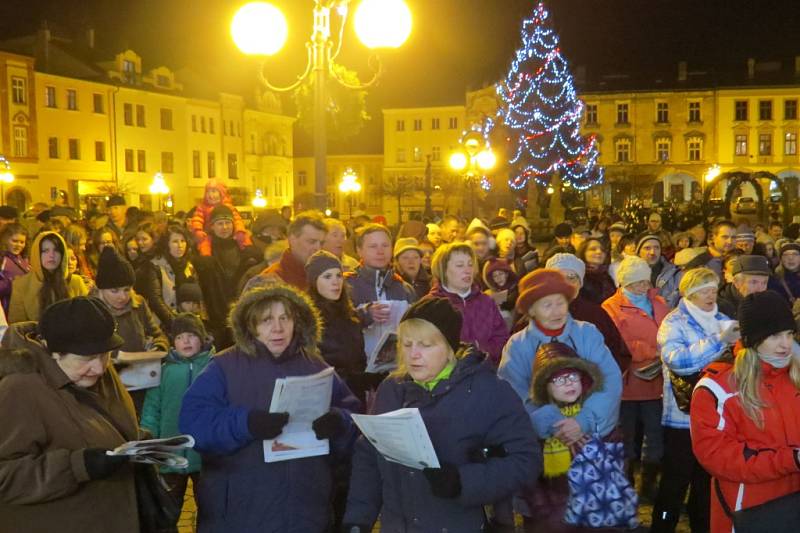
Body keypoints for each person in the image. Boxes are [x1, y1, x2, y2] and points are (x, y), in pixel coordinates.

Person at [342, 297, 540, 533]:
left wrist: (463, 482)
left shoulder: (489, 391)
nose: (413, 354)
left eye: (425, 345)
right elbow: (369, 455)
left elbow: (526, 461)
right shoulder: (392, 388)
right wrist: (358, 519)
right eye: (406, 344)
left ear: (449, 348)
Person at [178, 284, 360, 532]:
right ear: (250, 325)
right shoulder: (223, 366)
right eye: (266, 320)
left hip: (305, 513)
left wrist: (339, 423)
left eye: (285, 318)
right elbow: (193, 425)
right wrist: (245, 423)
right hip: (240, 515)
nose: (278, 328)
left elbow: (353, 417)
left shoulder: (315, 365)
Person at [0, 297, 139, 532]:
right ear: (53, 352)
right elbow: (5, 476)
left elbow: (104, 425)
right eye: (87, 358)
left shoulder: (97, 372)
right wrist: (76, 466)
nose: (100, 367)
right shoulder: (19, 389)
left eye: (105, 355)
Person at [498, 269, 622, 525]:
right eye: (547, 305)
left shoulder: (586, 333)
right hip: (545, 453)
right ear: (531, 310)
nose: (557, 311)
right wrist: (553, 422)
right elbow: (513, 394)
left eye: (561, 303)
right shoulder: (518, 345)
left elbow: (609, 381)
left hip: (592, 443)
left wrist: (583, 420)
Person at [691, 290, 800, 533]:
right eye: (774, 336)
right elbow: (718, 456)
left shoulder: (794, 376)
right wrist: (790, 460)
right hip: (748, 508)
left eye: (789, 334)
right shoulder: (719, 387)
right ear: (753, 338)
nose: (785, 344)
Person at [651, 267, 740, 532]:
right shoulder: (673, 322)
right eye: (704, 290)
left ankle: (703, 526)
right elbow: (678, 361)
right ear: (689, 293)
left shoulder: (724, 318)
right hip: (682, 417)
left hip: (715, 416)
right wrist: (718, 341)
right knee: (675, 481)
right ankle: (662, 526)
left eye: (713, 288)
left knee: (705, 482)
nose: (711, 294)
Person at [526, 342, 634, 532]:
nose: (568, 382)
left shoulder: (596, 419)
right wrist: (544, 510)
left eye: (572, 376)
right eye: (559, 379)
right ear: (545, 387)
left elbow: (617, 461)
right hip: (558, 514)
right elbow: (530, 476)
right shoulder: (539, 429)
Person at [602, 255, 669, 503]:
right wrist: (651, 351)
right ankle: (625, 483)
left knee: (655, 436)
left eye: (645, 282)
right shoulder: (610, 308)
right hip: (627, 383)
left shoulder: (659, 303)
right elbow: (617, 343)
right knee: (626, 436)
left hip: (656, 382)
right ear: (623, 283)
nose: (643, 287)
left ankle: (648, 483)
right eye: (637, 283)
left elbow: (669, 330)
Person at [141, 313, 214, 505]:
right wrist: (151, 444)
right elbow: (152, 409)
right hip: (170, 456)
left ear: (202, 337)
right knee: (168, 509)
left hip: (205, 457)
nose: (185, 341)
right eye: (179, 337)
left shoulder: (214, 367)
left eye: (191, 335)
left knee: (209, 509)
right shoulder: (165, 371)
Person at [545, 252, 632, 373]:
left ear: (580, 284)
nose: (566, 283)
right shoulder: (535, 315)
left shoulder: (596, 314)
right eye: (559, 277)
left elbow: (619, 354)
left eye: (572, 278)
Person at [428, 242, 510, 365]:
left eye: (470, 265)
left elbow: (501, 338)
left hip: (485, 372)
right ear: (443, 269)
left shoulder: (486, 302)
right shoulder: (431, 305)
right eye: (460, 265)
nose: (467, 270)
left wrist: (483, 352)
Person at [305, 250, 368, 402]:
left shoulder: (349, 315)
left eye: (338, 275)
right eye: (327, 276)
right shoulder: (306, 319)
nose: (335, 282)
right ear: (314, 281)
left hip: (354, 395)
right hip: (327, 397)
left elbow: (357, 359)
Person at [8, 231, 88, 323]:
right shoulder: (21, 285)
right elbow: (17, 325)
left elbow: (86, 318)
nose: (51, 255)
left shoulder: (75, 282)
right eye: (45, 251)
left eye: (56, 250)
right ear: (37, 254)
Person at [244, 211, 327, 291]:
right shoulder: (269, 281)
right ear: (292, 240)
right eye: (311, 242)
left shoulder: (328, 276)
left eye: (322, 243)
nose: (318, 248)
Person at [136, 224, 198, 328]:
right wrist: (175, 323)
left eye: (183, 241)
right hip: (163, 324)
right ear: (166, 244)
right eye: (175, 241)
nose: (180, 245)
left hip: (187, 321)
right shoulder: (155, 265)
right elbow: (156, 300)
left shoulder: (189, 266)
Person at [189, 179, 252, 256]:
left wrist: (239, 230)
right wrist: (198, 230)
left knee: (243, 237)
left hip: (228, 233)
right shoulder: (202, 208)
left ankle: (248, 252)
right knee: (204, 242)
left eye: (214, 191)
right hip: (208, 233)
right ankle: (206, 256)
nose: (211, 195)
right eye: (208, 192)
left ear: (221, 194)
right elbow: (197, 219)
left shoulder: (228, 206)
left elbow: (237, 219)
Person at [637, 234, 682, 308]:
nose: (652, 252)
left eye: (656, 248)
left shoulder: (675, 274)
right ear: (638, 252)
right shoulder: (630, 275)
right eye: (647, 248)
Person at [0, 222, 29, 315]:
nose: (19, 245)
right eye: (14, 241)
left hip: (21, 310)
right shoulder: (2, 260)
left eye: (22, 242)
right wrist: (12, 283)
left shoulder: (24, 260)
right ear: (4, 240)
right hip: (5, 311)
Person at [576, 237, 615, 304]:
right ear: (583, 253)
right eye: (593, 249)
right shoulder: (579, 277)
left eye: (602, 250)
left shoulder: (606, 276)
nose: (599, 252)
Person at [482, 258, 518, 329]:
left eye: (500, 274)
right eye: (495, 276)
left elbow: (509, 303)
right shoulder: (492, 291)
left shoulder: (514, 288)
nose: (498, 278)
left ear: (507, 274)